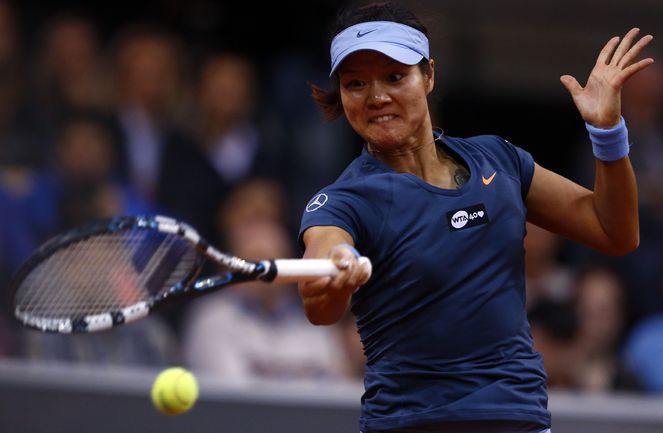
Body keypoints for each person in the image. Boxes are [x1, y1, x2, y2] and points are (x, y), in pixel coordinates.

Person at [297, 2, 653, 433]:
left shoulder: (499, 160)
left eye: (394, 76)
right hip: (413, 425)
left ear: (429, 75)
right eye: (355, 84)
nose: (377, 97)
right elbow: (321, 295)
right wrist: (334, 274)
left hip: (519, 419)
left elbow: (616, 232)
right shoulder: (344, 201)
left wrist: (607, 132)